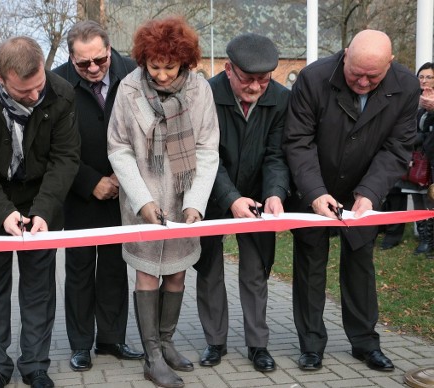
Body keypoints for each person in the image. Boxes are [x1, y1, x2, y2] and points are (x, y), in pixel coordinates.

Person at [283, 29, 420, 372]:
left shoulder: (406, 86)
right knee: (310, 264)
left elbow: (397, 149)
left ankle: (364, 343)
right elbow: (298, 141)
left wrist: (369, 193)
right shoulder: (313, 78)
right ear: (345, 54)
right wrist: (314, 193)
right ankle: (311, 345)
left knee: (361, 265)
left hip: (364, 189)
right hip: (314, 185)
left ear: (390, 63)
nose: (362, 81)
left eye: (372, 76)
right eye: (355, 72)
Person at [0, 37, 80, 388]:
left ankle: (35, 364)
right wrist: (1, 210)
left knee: (39, 287)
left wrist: (43, 211)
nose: (36, 96)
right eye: (24, 92)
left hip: (42, 198)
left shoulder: (62, 92)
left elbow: (66, 158)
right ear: (0, 77)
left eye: (39, 86)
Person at [107, 16, 220, 388]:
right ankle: (151, 355)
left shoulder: (200, 90)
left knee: (176, 271)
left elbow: (207, 149)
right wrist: (141, 200)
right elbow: (119, 148)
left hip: (183, 198)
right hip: (143, 200)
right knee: (145, 273)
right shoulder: (127, 89)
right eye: (154, 66)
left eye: (169, 67)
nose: (162, 75)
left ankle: (167, 342)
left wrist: (196, 203)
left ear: (184, 61)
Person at [194, 33, 290, 372]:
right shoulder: (204, 94)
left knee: (255, 271)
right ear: (228, 69)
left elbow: (277, 154)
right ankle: (214, 342)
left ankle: (258, 345)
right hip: (211, 194)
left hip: (260, 197)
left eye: (264, 80)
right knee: (209, 270)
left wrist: (275, 194)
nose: (256, 88)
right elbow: (205, 155)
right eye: (248, 79)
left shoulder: (280, 99)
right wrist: (231, 197)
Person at [52, 20, 143, 372]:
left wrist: (122, 177)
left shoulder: (133, 74)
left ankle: (112, 338)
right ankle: (79, 344)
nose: (93, 69)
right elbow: (53, 145)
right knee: (78, 271)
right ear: (71, 58)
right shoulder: (57, 83)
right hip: (78, 194)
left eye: (99, 61)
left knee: (115, 268)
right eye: (83, 63)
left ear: (109, 51)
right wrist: (90, 181)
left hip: (124, 188)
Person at [406, 62, 434, 256]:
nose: (424, 81)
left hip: (432, 159)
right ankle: (424, 239)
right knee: (417, 196)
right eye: (421, 77)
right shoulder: (415, 102)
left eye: (429, 77)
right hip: (418, 159)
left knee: (432, 199)